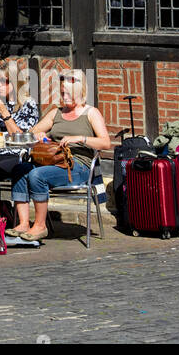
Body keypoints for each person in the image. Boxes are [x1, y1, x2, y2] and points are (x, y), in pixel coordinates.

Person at [9, 71, 111, 241]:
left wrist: (80, 138)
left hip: (78, 166)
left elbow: (106, 143)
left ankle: (40, 226)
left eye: (69, 93)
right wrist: (39, 135)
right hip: (55, 161)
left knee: (37, 175)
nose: (65, 96)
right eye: (63, 92)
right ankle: (24, 223)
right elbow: (32, 132)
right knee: (20, 169)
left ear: (80, 91)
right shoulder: (56, 113)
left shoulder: (91, 113)